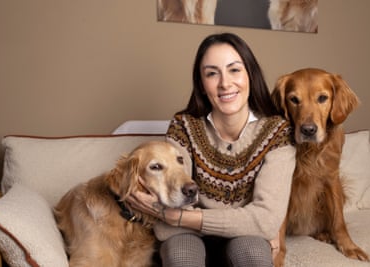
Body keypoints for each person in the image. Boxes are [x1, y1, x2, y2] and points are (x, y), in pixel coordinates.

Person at [127, 32, 296, 267]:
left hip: (243, 238)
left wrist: (178, 217)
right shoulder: (184, 126)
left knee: (256, 257)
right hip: (186, 236)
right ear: (202, 84)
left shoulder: (277, 132)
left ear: (250, 75)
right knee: (180, 257)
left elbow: (265, 220)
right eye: (212, 73)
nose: (225, 83)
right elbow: (166, 223)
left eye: (234, 70)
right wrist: (171, 216)